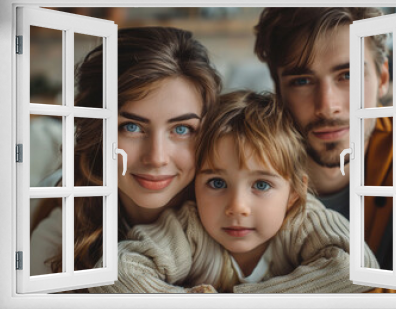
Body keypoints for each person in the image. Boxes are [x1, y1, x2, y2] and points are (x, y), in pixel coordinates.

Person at [89, 90, 379, 293]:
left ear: (294, 192)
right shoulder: (190, 229)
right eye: (216, 183)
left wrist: (244, 303)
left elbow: (358, 266)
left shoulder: (301, 219)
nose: (237, 207)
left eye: (261, 185)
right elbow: (115, 272)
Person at [253, 7, 396, 273]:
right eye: (302, 81)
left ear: (382, 78)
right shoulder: (240, 166)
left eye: (348, 75)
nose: (327, 106)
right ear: (279, 91)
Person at [30, 26, 222, 277]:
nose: (156, 157)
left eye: (182, 129)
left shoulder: (237, 216)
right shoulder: (58, 235)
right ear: (96, 131)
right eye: (131, 127)